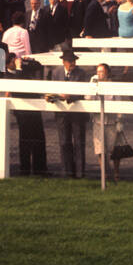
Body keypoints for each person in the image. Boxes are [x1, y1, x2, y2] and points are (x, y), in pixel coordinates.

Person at [46, 46, 89, 178]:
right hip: (62, 113)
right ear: (64, 62)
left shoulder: (82, 73)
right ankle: (67, 172)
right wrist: (52, 97)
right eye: (70, 61)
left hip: (77, 113)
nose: (73, 64)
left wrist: (71, 96)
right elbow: (51, 91)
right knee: (64, 142)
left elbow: (84, 93)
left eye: (74, 61)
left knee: (79, 142)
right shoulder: (56, 73)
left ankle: (80, 173)